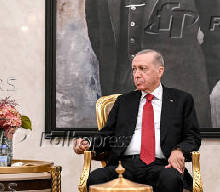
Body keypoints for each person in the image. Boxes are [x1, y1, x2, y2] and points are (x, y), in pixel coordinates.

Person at [73, 49, 201, 192]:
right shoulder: (124, 102)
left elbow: (193, 137)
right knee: (96, 177)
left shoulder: (181, 100)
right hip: (125, 166)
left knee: (171, 179)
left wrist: (179, 150)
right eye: (134, 69)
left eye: (143, 69)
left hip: (162, 166)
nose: (137, 74)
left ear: (159, 71)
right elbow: (106, 135)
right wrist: (87, 143)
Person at [85, 0, 220, 128]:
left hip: (181, 102)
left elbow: (217, 35)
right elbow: (97, 32)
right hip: (121, 101)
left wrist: (198, 84)